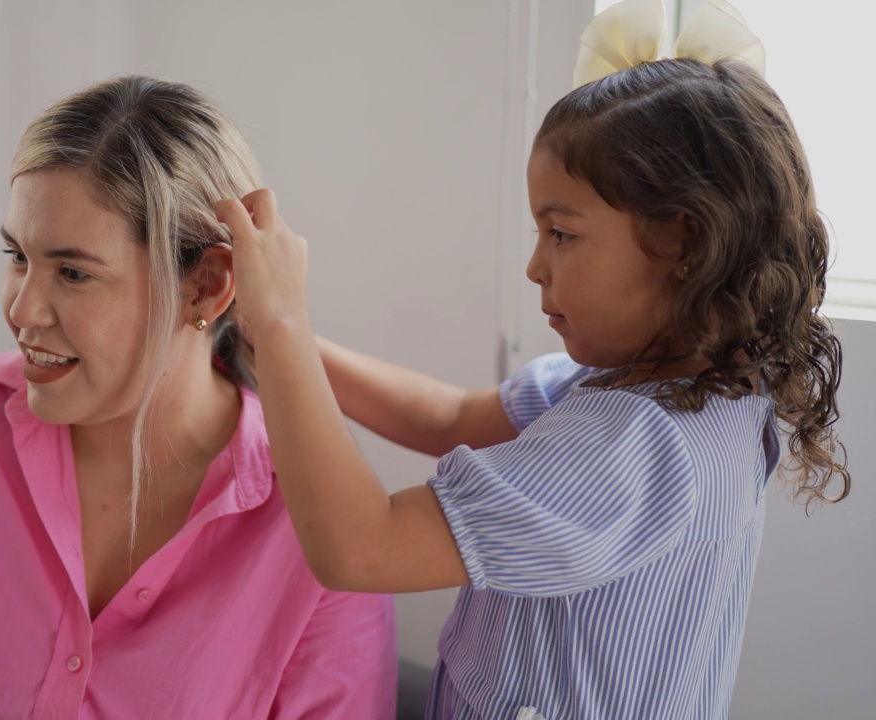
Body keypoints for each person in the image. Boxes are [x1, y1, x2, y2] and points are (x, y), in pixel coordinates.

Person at [217, 1, 849, 717]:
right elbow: (448, 415)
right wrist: (261, 341)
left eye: (561, 233)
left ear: (683, 242)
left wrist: (283, 319)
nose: (534, 266)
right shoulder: (676, 385)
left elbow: (360, 547)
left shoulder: (631, 451)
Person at [0, 76, 396, 718]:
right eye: (16, 256)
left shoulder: (317, 530)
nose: (23, 309)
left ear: (208, 284)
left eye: (74, 272)